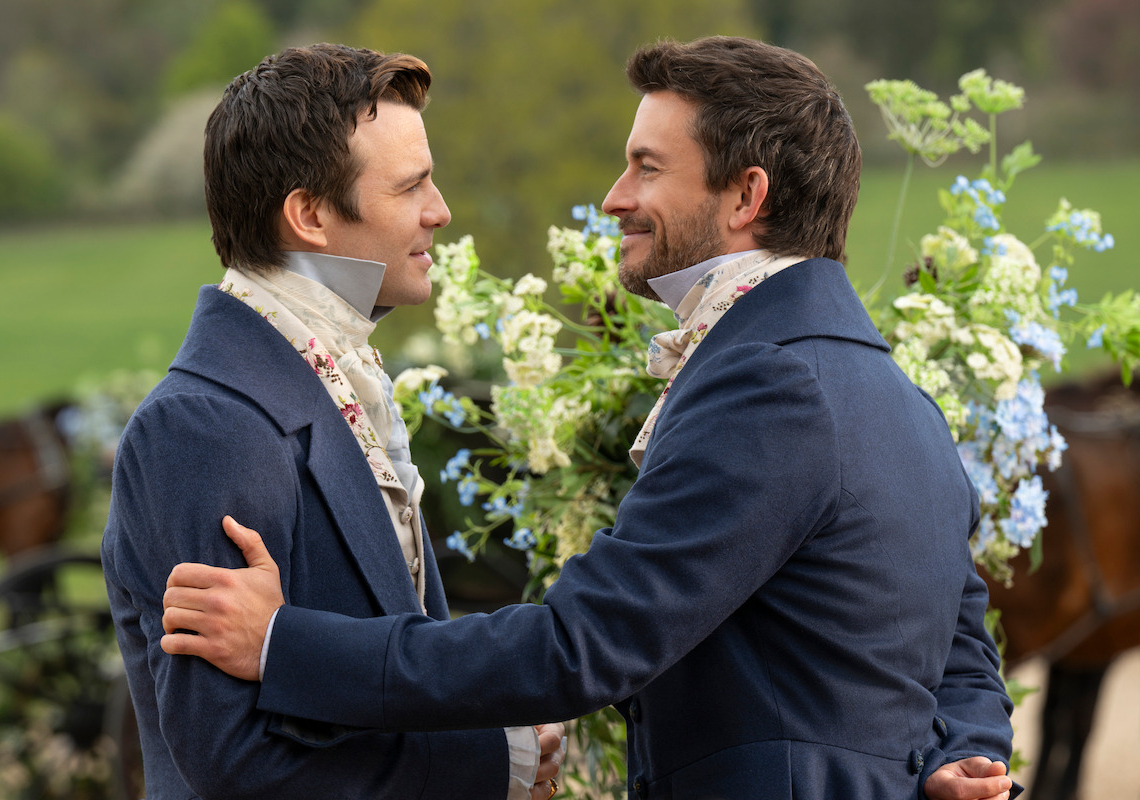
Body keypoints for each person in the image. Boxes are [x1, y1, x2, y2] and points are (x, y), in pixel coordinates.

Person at [161, 37, 1022, 800]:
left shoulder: (771, 385)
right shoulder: (900, 398)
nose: (614, 197)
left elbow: (584, 645)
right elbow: (960, 650)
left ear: (745, 195)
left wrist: (282, 644)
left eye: (647, 167)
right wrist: (968, 755)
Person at [101, 43, 565, 800]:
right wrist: (488, 763)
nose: (440, 211)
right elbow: (233, 762)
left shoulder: (334, 379)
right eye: (411, 186)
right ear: (310, 215)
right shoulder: (205, 426)